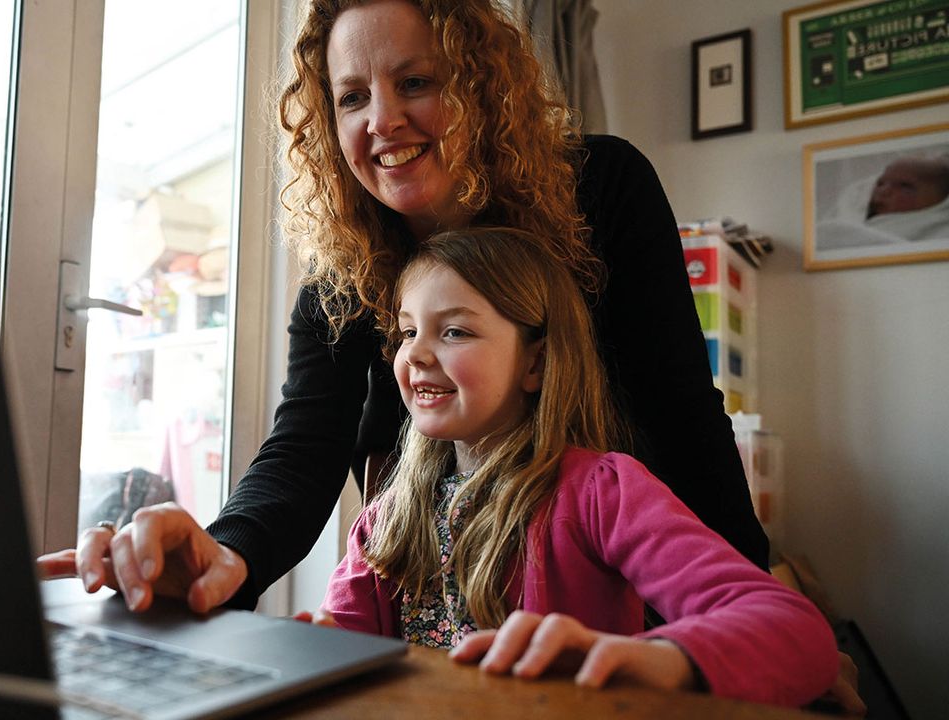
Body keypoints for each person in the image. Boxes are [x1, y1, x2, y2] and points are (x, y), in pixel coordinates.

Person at [38, 0, 767, 618]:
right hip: (435, 624)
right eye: (352, 97)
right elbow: (303, 449)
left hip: (612, 611)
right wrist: (221, 555)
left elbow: (683, 413)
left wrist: (756, 607)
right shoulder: (339, 284)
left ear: (480, 87)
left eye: (415, 81)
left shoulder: (603, 188)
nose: (383, 121)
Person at [314, 226, 837, 706]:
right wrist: (316, 650)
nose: (417, 355)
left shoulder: (602, 492)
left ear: (536, 362)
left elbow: (792, 630)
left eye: (454, 332)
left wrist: (661, 660)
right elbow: (343, 641)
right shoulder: (385, 519)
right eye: (407, 332)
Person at [817, 153, 949, 250]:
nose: (884, 191)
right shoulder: (857, 216)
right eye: (880, 183)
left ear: (939, 202)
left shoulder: (936, 226)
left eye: (905, 186)